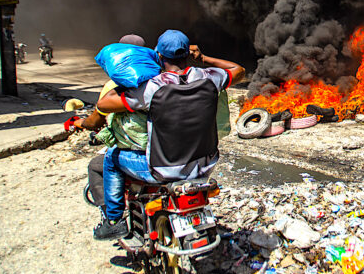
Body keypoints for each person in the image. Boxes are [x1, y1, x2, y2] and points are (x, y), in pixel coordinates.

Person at [93, 29, 245, 240]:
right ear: (187, 55)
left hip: (163, 170)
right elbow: (239, 70)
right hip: (205, 165)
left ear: (160, 57)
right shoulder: (209, 78)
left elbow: (104, 104)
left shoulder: (151, 88)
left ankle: (114, 221)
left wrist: (119, 79)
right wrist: (203, 58)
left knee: (110, 157)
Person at [73, 34, 149, 208]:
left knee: (100, 164)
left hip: (138, 152)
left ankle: (112, 217)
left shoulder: (112, 88)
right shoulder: (161, 79)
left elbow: (99, 122)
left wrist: (81, 124)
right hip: (168, 150)